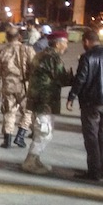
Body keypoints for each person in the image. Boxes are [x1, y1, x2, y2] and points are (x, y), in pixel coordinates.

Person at [66, 29, 103, 181]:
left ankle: (94, 171)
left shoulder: (87, 57)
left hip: (92, 101)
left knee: (91, 136)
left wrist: (71, 96)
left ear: (86, 41)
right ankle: (102, 168)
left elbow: (81, 79)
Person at [21, 32, 74, 174]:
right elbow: (62, 79)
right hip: (45, 100)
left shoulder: (39, 55)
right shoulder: (53, 58)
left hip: (37, 99)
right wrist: (74, 77)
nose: (66, 46)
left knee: (42, 131)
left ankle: (35, 159)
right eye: (65, 43)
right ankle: (30, 162)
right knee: (44, 132)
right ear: (58, 43)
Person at [0, 26, 35, 148]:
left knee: (9, 112)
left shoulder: (2, 52)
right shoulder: (28, 50)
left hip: (8, 86)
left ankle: (7, 139)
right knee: (28, 112)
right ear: (19, 37)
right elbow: (35, 68)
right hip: (24, 86)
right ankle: (20, 136)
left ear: (6, 37)